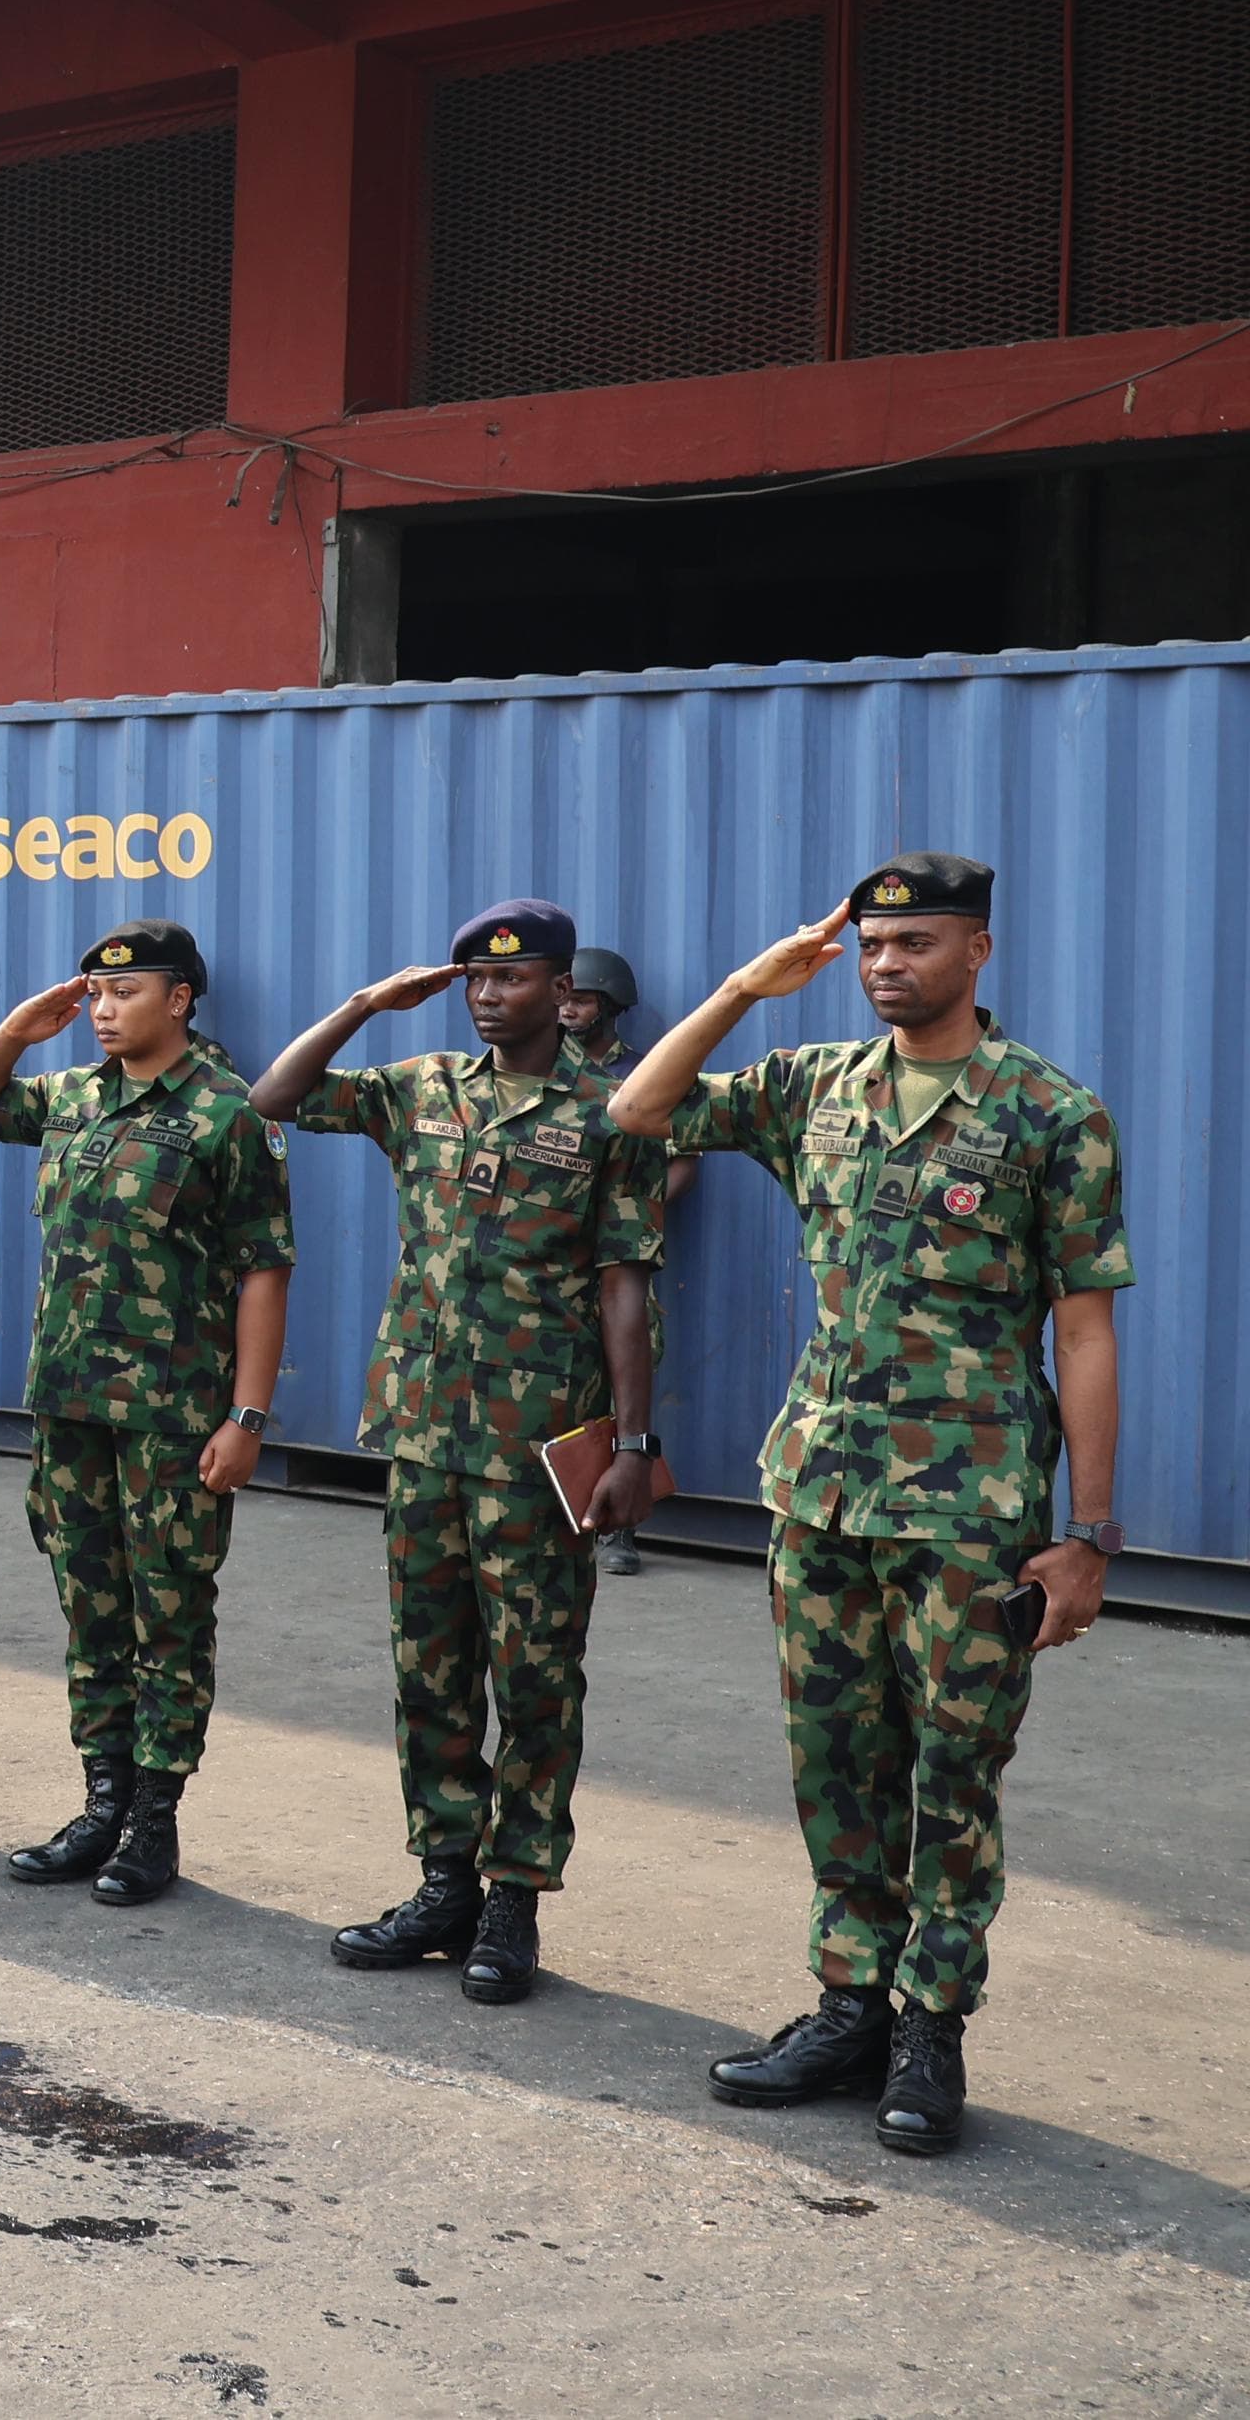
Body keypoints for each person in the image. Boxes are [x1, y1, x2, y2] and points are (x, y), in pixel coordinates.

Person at [611, 855, 1129, 2159]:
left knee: (952, 1772)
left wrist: (1091, 1533)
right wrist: (744, 985)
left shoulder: (1049, 1113)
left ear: (980, 951)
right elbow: (637, 1107)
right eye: (874, 943)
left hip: (971, 1503)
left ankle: (929, 2028)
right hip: (825, 1485)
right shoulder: (813, 1087)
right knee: (835, 1759)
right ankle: (848, 2003)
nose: (888, 961)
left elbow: (1085, 1327)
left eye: (917, 940)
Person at [251, 900, 668, 2004]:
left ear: (555, 984)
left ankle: (511, 1898)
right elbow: (271, 1098)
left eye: (513, 979)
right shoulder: (423, 1085)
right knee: (427, 1668)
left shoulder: (609, 1108)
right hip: (423, 1433)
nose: (488, 996)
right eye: (473, 981)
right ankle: (441, 1877)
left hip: (538, 1441)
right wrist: (357, 1007)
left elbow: (624, 1283)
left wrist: (629, 1443)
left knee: (533, 1677)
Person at [0, 919, 294, 1907]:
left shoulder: (227, 1114)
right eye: (94, 996)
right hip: (68, 1405)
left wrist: (248, 1415)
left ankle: (151, 1824)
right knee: (88, 1606)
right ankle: (98, 1801)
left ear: (178, 999)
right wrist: (20, 1029)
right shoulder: (70, 1097)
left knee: (168, 1615)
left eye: (124, 993)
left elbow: (262, 1272)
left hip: (170, 1414)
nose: (101, 1010)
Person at [561, 944, 697, 1576]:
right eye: (564, 997)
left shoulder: (646, 1075)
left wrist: (624, 1211)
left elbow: (684, 1163)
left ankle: (621, 1528)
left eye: (581, 1000)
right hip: (551, 1260)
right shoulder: (540, 1068)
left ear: (611, 1007)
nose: (568, 1009)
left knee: (625, 1386)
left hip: (620, 1260)